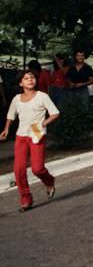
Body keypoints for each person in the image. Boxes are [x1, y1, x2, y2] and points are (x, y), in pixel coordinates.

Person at [1, 70, 60, 212]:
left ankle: (49, 181)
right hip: (21, 136)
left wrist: (43, 124)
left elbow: (55, 113)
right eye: (26, 78)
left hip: (37, 134)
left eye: (32, 77)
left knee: (37, 168)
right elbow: (11, 115)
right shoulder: (16, 99)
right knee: (18, 170)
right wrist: (6, 129)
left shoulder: (42, 96)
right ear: (21, 83)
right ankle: (26, 199)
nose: (30, 80)